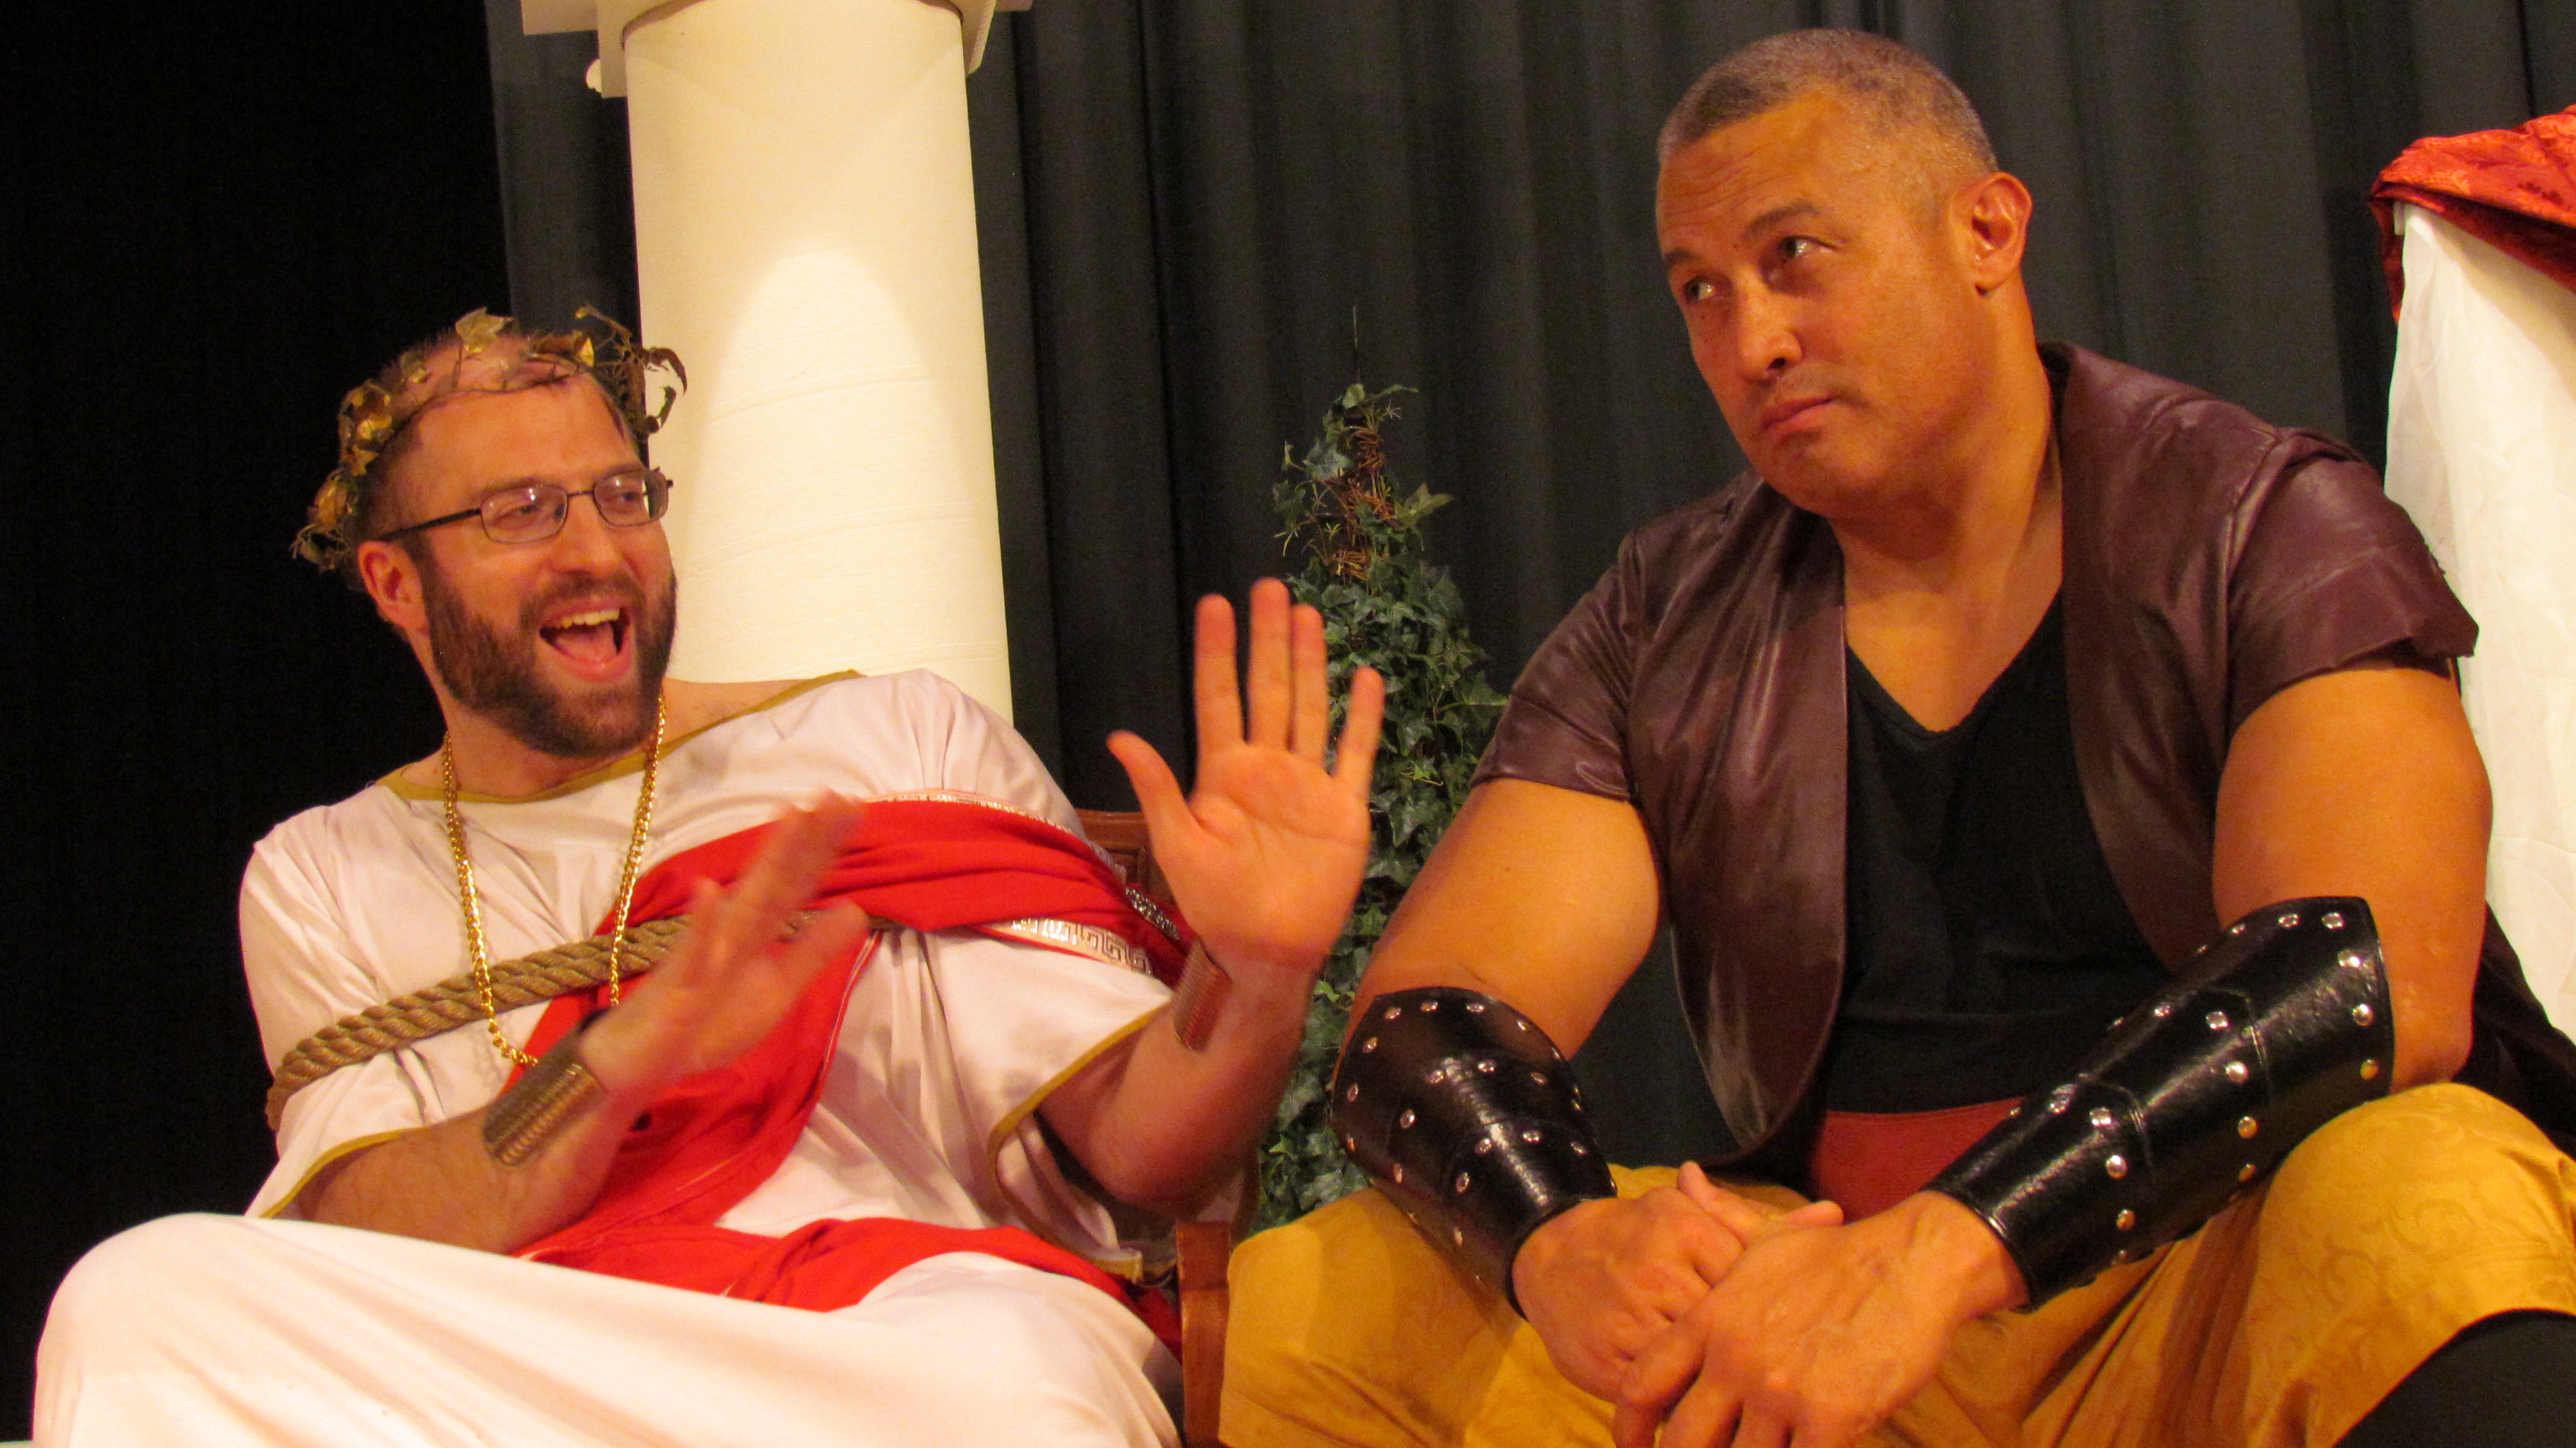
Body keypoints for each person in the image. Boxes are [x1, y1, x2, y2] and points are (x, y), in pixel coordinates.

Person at [1225, 29, 2576, 1448]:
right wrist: (1557, 1235)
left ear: (1987, 230)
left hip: (2196, 1290)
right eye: (1701, 292)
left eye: (1795, 257)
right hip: (1822, 1305)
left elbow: (2368, 973)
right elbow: (1430, 1017)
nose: (1753, 342)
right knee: (1326, 1301)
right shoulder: (1665, 614)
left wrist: (1953, 1243)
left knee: (2425, 1189)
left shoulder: (2263, 519)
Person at [33, 310, 1384, 1448]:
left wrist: (1259, 976)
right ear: (395, 582)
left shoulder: (890, 741)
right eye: (520, 511)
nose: (594, 548)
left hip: (887, 1345)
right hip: (543, 1355)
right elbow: (362, 1236)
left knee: (1007, 1380)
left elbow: (1145, 1151)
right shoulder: (325, 871)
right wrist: (611, 1068)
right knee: (136, 1299)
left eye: (623, 495)